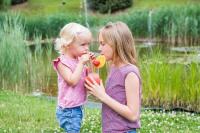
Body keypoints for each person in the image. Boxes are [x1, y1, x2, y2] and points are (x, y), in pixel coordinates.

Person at [85, 21, 142, 133]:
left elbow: (133, 114)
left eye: (103, 44)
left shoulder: (130, 73)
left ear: (117, 44)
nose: (99, 48)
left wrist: (103, 96)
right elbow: (113, 97)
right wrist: (91, 68)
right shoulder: (113, 66)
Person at [53, 22, 92, 133]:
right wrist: (81, 63)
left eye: (88, 44)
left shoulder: (78, 60)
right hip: (68, 110)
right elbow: (72, 81)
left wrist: (91, 64)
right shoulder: (62, 62)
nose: (87, 48)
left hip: (76, 107)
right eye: (83, 44)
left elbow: (86, 79)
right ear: (68, 44)